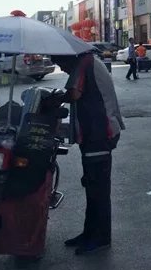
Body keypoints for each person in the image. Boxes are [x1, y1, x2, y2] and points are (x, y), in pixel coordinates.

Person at [52, 52, 124, 255]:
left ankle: (100, 238)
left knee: (98, 190)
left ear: (67, 57)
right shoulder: (88, 62)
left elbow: (74, 94)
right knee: (92, 186)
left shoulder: (84, 62)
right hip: (94, 134)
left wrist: (54, 99)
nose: (62, 68)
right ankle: (89, 232)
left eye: (59, 63)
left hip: (99, 133)